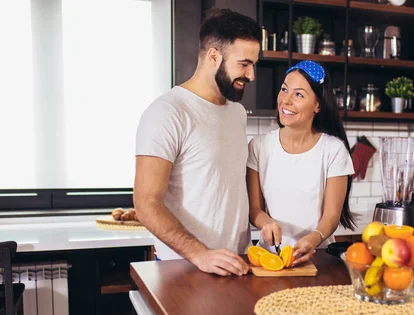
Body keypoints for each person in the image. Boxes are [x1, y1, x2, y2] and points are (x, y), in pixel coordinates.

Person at [134, 9, 261, 276]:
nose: (251, 75)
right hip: (184, 266)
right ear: (214, 56)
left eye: (254, 65)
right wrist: (200, 255)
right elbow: (146, 203)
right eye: (244, 64)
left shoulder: (237, 113)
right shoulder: (168, 112)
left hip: (236, 262)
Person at [246, 60, 356, 266]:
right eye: (284, 90)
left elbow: (332, 216)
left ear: (318, 105)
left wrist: (313, 240)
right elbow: (254, 210)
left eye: (298, 94)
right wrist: (267, 222)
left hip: (318, 258)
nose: (286, 101)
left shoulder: (333, 150)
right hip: (268, 259)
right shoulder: (259, 146)